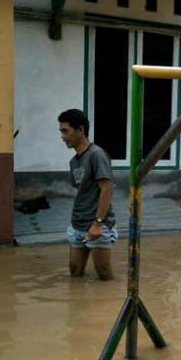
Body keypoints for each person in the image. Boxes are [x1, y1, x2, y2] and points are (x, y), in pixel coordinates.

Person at [58, 109, 116, 280]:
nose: (62, 136)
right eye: (61, 131)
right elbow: (83, 191)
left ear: (81, 130)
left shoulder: (96, 155)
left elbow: (107, 188)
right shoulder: (73, 161)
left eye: (65, 131)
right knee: (75, 271)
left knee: (104, 274)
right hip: (78, 224)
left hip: (97, 224)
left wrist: (98, 222)